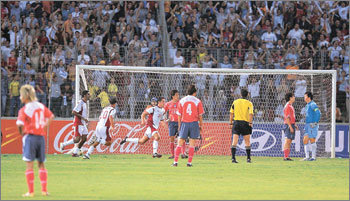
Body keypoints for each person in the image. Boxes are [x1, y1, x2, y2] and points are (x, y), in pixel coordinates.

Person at [16, 85, 54, 197]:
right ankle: (44, 190)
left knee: (29, 165)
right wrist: (43, 126)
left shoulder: (24, 109)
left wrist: (22, 132)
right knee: (41, 164)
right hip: (40, 137)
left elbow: (19, 124)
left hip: (30, 137)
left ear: (25, 96)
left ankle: (31, 192)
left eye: (20, 94)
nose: (19, 97)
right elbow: (51, 116)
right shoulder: (40, 106)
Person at [172, 85, 204, 167]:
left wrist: (179, 125)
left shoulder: (182, 100)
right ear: (195, 92)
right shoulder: (197, 101)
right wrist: (200, 125)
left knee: (180, 142)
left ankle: (175, 162)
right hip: (194, 123)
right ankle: (189, 163)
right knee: (192, 143)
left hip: (184, 123)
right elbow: (200, 115)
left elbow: (179, 115)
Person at [59, 90, 90, 157]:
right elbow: (74, 112)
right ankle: (64, 144)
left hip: (83, 123)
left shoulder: (84, 103)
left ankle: (75, 153)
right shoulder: (80, 102)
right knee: (77, 139)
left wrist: (85, 120)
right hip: (78, 122)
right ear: (84, 95)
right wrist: (83, 118)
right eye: (88, 94)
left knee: (84, 138)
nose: (89, 95)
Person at [229, 89, 254, 163]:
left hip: (236, 123)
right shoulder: (249, 103)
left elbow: (231, 113)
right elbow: (251, 114)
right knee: (247, 141)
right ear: (247, 95)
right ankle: (248, 159)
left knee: (235, 141)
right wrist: (250, 123)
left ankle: (233, 158)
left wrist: (230, 123)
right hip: (245, 123)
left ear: (240, 94)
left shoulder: (235, 102)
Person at [164, 89, 186, 159]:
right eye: (176, 95)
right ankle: (172, 154)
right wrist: (165, 119)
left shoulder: (181, 103)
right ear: (173, 96)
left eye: (178, 95)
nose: (178, 96)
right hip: (172, 123)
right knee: (172, 138)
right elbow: (163, 112)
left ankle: (183, 153)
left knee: (182, 138)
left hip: (180, 122)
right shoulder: (168, 104)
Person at [302, 92, 321, 161]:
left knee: (312, 139)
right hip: (307, 125)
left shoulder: (313, 104)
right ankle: (307, 157)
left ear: (309, 97)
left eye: (305, 96)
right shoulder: (307, 105)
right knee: (305, 140)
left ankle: (313, 157)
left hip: (312, 124)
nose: (304, 98)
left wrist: (315, 122)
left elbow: (318, 113)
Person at [283, 93, 299, 161]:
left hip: (291, 124)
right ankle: (285, 157)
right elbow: (287, 117)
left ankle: (287, 156)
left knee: (289, 141)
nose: (294, 97)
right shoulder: (287, 106)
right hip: (288, 125)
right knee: (287, 140)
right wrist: (290, 126)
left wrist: (294, 124)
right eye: (293, 96)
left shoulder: (290, 106)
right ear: (290, 98)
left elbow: (291, 117)